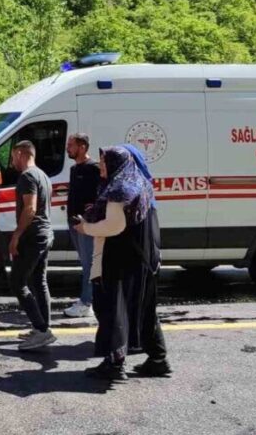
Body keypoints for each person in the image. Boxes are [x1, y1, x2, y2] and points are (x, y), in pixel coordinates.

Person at [74, 145, 169, 381]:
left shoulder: (120, 188)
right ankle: (158, 359)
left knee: (113, 309)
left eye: (105, 162)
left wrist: (85, 228)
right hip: (145, 259)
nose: (101, 166)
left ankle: (115, 364)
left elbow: (114, 225)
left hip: (120, 261)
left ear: (117, 163)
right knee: (145, 310)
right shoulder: (140, 183)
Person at [9, 141, 57, 351]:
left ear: (20, 153)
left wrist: (16, 236)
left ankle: (42, 330)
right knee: (39, 281)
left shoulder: (27, 176)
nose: (12, 162)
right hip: (45, 233)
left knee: (18, 282)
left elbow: (30, 209)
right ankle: (42, 328)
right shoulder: (43, 175)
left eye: (12, 157)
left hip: (33, 235)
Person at [64, 133, 101, 319]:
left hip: (86, 224)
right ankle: (86, 301)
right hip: (74, 223)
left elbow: (99, 196)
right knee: (84, 263)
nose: (67, 148)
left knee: (89, 264)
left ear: (83, 147)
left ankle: (87, 303)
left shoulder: (93, 168)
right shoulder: (74, 169)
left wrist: (89, 216)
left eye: (71, 145)